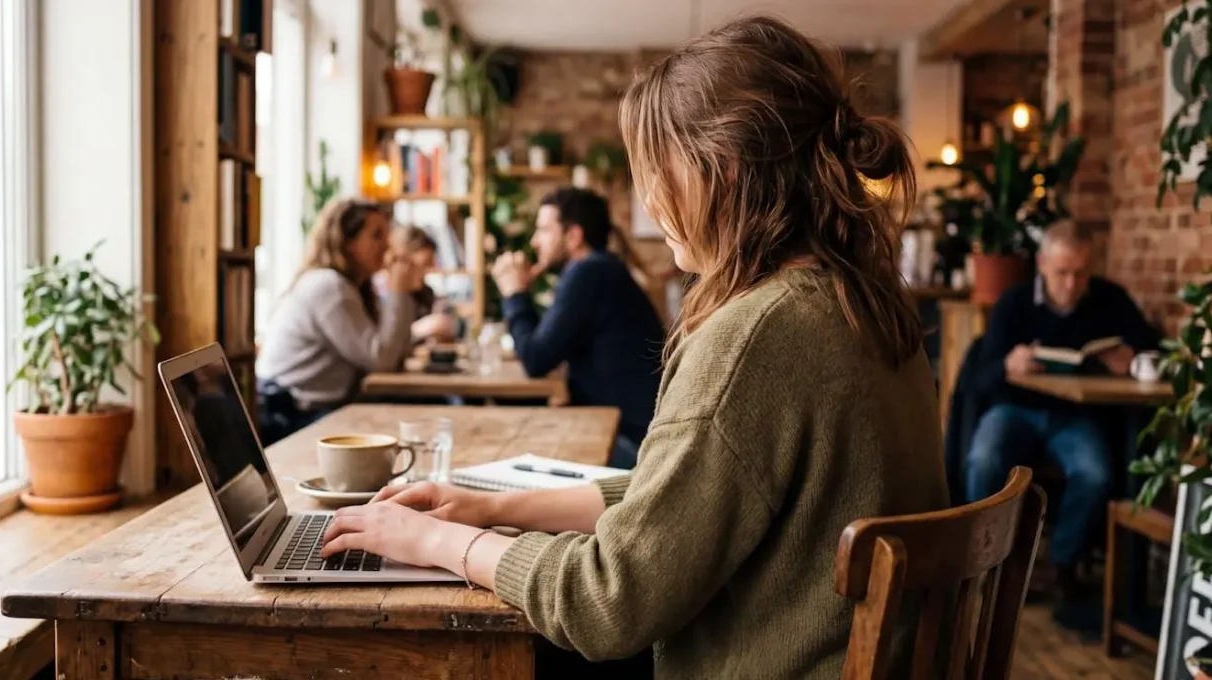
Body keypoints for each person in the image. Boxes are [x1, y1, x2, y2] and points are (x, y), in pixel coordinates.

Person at [317, 16, 949, 679]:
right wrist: (490, 507)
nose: (648, 196)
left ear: (724, 171)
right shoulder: (864, 303)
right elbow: (678, 501)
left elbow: (606, 601)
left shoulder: (759, 335)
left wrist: (438, 541)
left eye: (658, 170)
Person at [966, 222, 1160, 596]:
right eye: (1062, 273)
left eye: (1081, 273)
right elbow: (980, 378)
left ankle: (1061, 565)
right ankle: (980, 560)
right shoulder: (1014, 303)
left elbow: (1148, 348)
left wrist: (1131, 359)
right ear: (1041, 264)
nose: (1072, 284)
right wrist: (1008, 365)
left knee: (1096, 474)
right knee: (983, 460)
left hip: (1075, 415)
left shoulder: (1110, 298)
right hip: (1014, 408)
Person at [490, 187, 665, 468]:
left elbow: (535, 359)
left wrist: (514, 294)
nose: (535, 242)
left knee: (508, 448)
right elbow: (544, 346)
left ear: (573, 236)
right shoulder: (600, 270)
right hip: (626, 431)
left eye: (544, 230)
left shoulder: (589, 273)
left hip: (632, 446)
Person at [255, 200, 422, 444]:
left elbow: (394, 354)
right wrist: (398, 291)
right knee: (403, 429)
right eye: (377, 235)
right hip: (289, 414)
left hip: (313, 407)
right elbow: (382, 360)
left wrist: (403, 293)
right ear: (347, 241)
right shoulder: (329, 286)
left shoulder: (352, 287)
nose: (387, 245)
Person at [384, 225, 457, 344]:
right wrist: (419, 330)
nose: (427, 272)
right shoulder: (380, 293)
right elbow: (384, 346)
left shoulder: (425, 293)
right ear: (402, 258)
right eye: (424, 264)